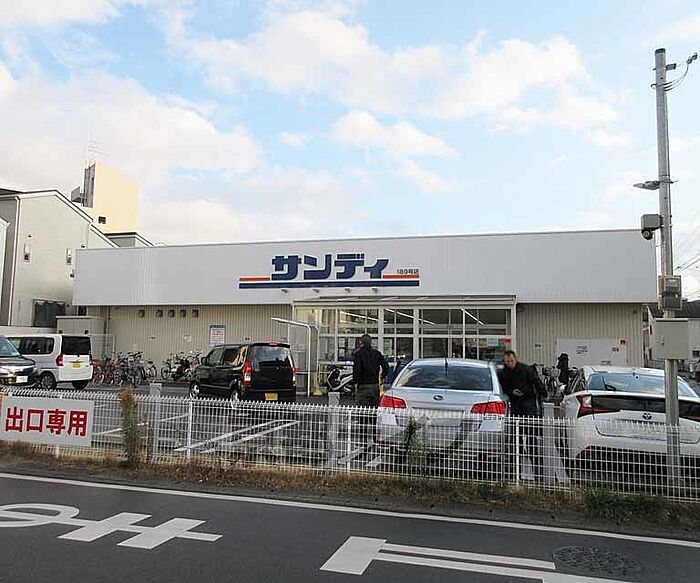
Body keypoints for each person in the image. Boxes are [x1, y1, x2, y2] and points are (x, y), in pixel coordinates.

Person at [498, 350, 546, 417]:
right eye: (508, 361)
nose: (510, 363)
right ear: (505, 362)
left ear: (515, 359)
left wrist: (544, 393)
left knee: (529, 420)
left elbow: (536, 382)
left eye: (512, 361)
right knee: (515, 420)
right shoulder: (503, 373)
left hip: (527, 399)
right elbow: (503, 387)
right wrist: (512, 392)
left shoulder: (526, 369)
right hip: (513, 401)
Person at [352, 334, 389, 407]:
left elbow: (357, 369)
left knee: (362, 409)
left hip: (363, 385)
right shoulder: (377, 353)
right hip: (375, 385)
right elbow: (386, 366)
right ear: (371, 342)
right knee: (374, 409)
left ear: (361, 342)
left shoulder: (358, 354)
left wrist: (355, 382)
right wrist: (382, 376)